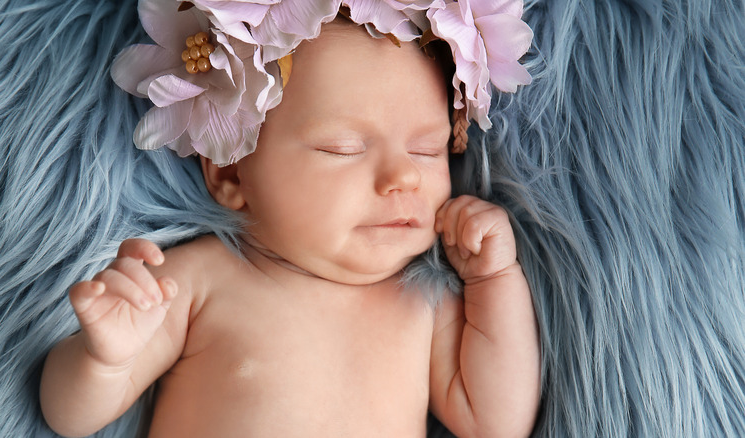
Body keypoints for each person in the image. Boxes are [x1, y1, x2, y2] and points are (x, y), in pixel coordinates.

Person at [40, 2, 540, 437]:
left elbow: (497, 422)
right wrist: (104, 360)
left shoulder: (424, 303)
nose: (403, 177)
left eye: (427, 150)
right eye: (342, 149)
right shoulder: (197, 282)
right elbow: (68, 417)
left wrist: (493, 280)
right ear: (233, 172)